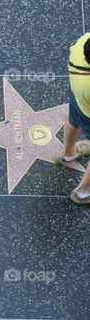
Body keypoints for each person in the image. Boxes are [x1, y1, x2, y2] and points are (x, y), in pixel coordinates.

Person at [59, 32, 90, 203]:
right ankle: (83, 192)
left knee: (73, 119)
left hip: (78, 99)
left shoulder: (82, 43)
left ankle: (68, 154)